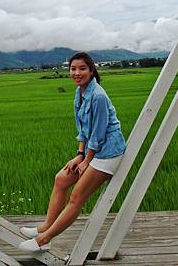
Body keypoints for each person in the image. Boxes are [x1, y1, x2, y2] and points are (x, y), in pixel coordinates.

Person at [18, 52, 126, 253]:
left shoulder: (98, 96)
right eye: (73, 69)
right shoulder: (80, 93)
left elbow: (99, 133)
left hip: (108, 153)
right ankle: (44, 227)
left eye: (82, 68)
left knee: (76, 197)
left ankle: (45, 239)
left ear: (92, 70)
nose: (77, 73)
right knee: (60, 179)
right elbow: (83, 130)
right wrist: (79, 154)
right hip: (92, 152)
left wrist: (87, 160)